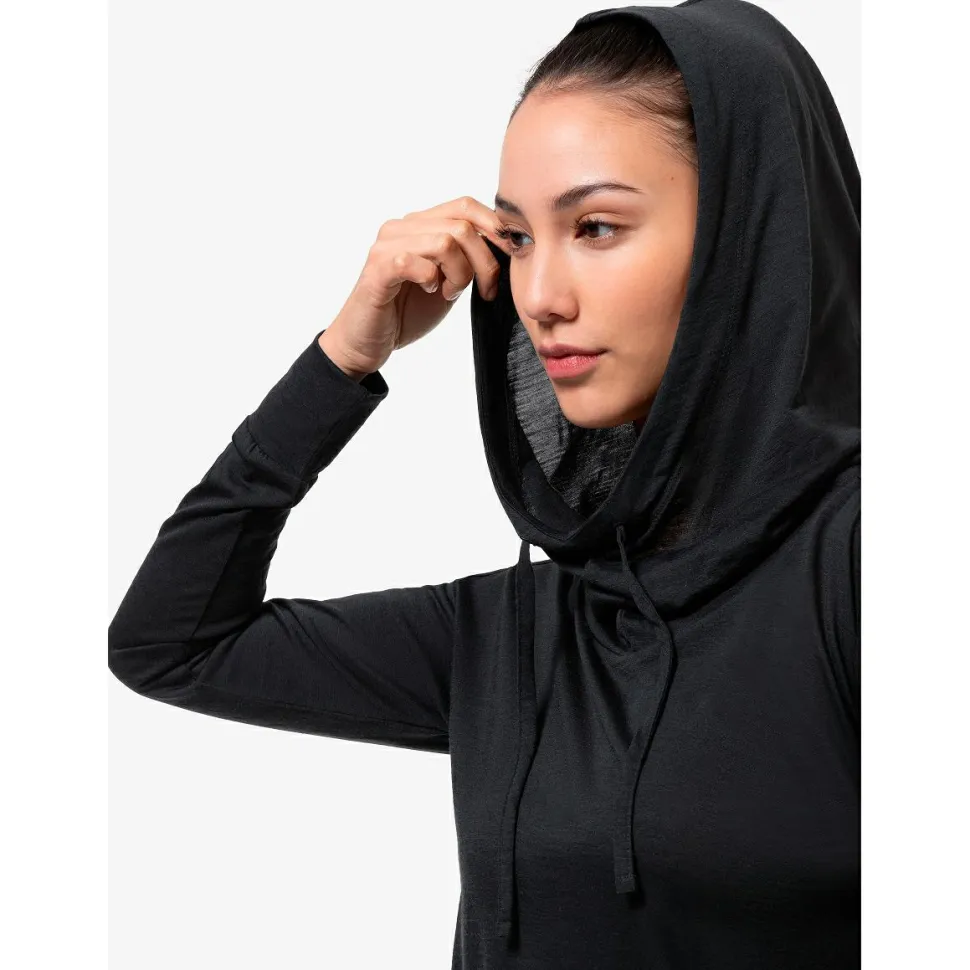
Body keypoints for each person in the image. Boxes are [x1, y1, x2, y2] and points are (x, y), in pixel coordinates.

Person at [108, 1, 861, 967]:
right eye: (519, 241)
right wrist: (347, 354)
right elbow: (171, 642)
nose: (540, 298)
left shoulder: (860, 566)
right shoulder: (521, 633)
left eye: (596, 226)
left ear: (744, 237)